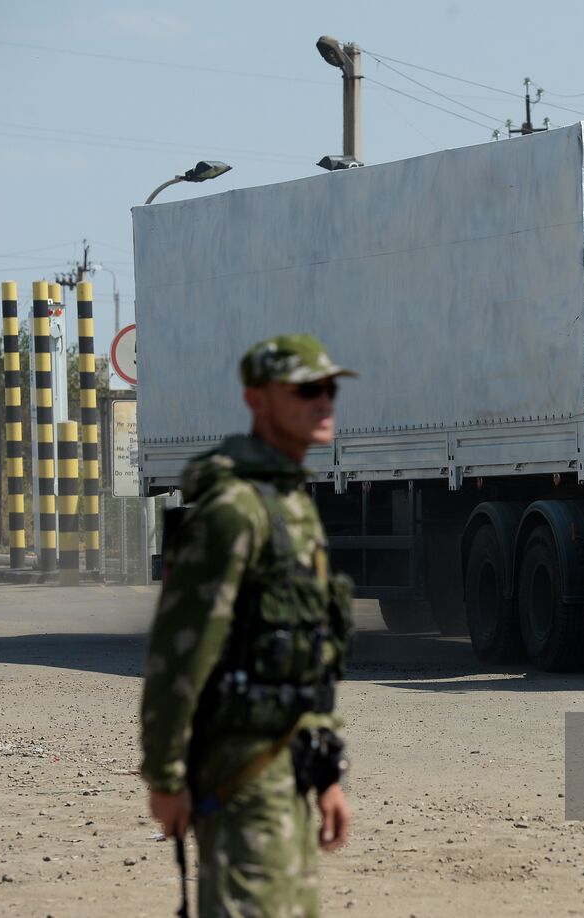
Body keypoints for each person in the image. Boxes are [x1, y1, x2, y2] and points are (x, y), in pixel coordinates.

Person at [141, 333, 357, 918]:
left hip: (290, 768)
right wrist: (166, 777)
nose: (324, 401)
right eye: (305, 390)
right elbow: (179, 654)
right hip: (241, 771)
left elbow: (306, 653)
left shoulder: (292, 504)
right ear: (257, 400)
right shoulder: (233, 511)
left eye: (329, 388)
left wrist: (326, 774)